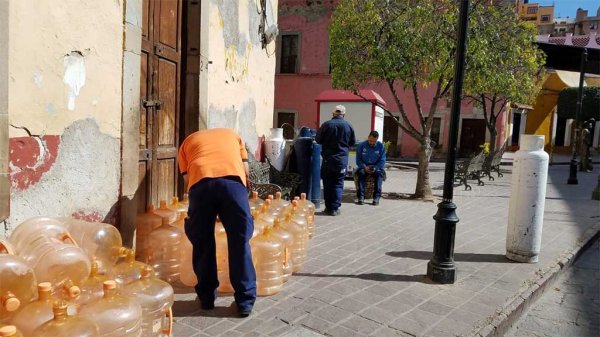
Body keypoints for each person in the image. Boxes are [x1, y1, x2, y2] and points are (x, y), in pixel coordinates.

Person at [178, 128, 256, 317]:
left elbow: (188, 181)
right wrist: (235, 202)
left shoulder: (187, 142)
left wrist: (204, 207)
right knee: (239, 243)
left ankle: (206, 299)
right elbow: (245, 170)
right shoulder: (233, 136)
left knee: (203, 243)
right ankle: (244, 301)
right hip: (233, 185)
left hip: (200, 186)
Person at [315, 105, 356, 216]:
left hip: (328, 160)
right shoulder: (348, 126)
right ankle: (335, 208)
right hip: (341, 161)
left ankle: (328, 208)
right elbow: (352, 142)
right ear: (344, 114)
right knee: (338, 184)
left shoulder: (326, 125)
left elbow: (317, 139)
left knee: (327, 184)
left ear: (333, 114)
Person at [355, 130, 386, 205]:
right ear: (368, 137)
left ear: (377, 139)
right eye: (370, 140)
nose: (372, 143)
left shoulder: (381, 146)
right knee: (361, 174)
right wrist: (364, 167)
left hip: (376, 168)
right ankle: (361, 197)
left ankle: (376, 198)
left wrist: (376, 168)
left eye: (374, 141)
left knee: (379, 175)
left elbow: (382, 160)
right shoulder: (361, 145)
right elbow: (358, 159)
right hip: (364, 167)